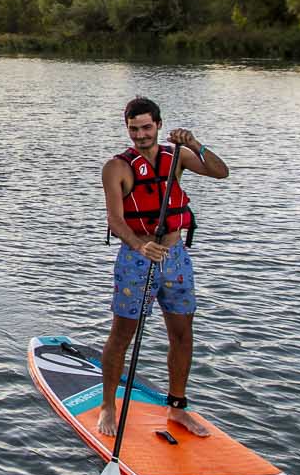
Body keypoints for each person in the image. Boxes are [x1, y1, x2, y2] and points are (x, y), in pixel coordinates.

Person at [97, 96, 230, 439]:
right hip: (137, 258)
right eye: (133, 129)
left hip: (176, 258)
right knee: (122, 334)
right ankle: (109, 404)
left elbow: (220, 172)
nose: (140, 135)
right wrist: (141, 245)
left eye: (145, 127)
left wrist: (195, 143)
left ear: (158, 124)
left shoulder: (178, 157)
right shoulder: (117, 168)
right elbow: (115, 221)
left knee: (182, 333)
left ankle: (177, 407)